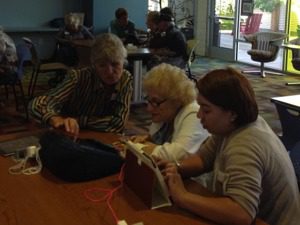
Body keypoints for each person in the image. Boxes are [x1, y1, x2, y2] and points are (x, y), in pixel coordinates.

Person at [158, 67, 300, 225]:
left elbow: (241, 213)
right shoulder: (231, 126)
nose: (199, 116)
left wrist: (183, 197)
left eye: (206, 110)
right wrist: (176, 168)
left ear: (231, 114)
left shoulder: (246, 144)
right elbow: (203, 159)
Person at [29, 33, 133, 137]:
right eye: (102, 65)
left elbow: (119, 123)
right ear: (94, 65)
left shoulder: (125, 79)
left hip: (106, 138)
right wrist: (55, 118)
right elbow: (37, 104)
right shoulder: (78, 77)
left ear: (123, 62)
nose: (110, 71)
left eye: (115, 64)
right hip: (73, 135)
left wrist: (79, 120)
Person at [129, 63, 209, 161]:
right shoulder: (164, 113)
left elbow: (178, 155)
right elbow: (156, 141)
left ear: (176, 100)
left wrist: (139, 147)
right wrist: (146, 140)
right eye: (148, 100)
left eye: (156, 101)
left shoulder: (194, 114)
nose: (148, 109)